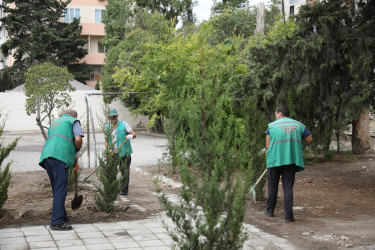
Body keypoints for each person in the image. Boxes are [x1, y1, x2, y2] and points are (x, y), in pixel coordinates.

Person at [265, 105, 313, 222]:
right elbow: (310, 139)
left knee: (272, 186)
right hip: (291, 160)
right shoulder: (298, 125)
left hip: (274, 160)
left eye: (276, 114)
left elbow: (267, 145)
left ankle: (270, 211)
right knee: (288, 188)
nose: (275, 116)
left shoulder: (271, 126)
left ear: (280, 114)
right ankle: (289, 216)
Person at [39, 109, 84, 231]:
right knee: (60, 189)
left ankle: (61, 215)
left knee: (57, 189)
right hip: (60, 157)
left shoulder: (55, 123)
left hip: (47, 157)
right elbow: (78, 140)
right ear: (75, 115)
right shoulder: (73, 121)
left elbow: (58, 140)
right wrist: (76, 153)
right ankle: (56, 222)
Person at [105, 108, 136, 195]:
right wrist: (109, 150)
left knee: (124, 171)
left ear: (117, 116)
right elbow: (106, 141)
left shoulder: (124, 124)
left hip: (124, 153)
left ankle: (124, 190)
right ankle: (112, 189)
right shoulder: (107, 127)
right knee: (111, 172)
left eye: (114, 117)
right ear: (109, 118)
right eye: (111, 117)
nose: (112, 119)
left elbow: (134, 134)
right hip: (113, 153)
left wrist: (130, 136)